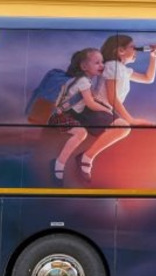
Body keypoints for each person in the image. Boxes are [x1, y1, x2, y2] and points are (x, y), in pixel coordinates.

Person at [52, 47, 130, 181]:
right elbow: (90, 104)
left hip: (69, 113)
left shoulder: (82, 80)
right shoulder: (83, 81)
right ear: (84, 67)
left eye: (102, 62)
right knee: (81, 134)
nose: (102, 66)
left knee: (83, 133)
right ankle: (59, 164)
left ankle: (63, 163)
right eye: (97, 63)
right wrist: (107, 110)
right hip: (64, 115)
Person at [99, 33, 156, 128]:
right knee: (122, 128)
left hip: (106, 110)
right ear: (121, 50)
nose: (136, 51)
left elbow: (148, 78)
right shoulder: (112, 66)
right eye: (133, 48)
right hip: (99, 109)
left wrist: (153, 57)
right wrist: (131, 120)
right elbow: (112, 98)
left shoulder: (123, 70)